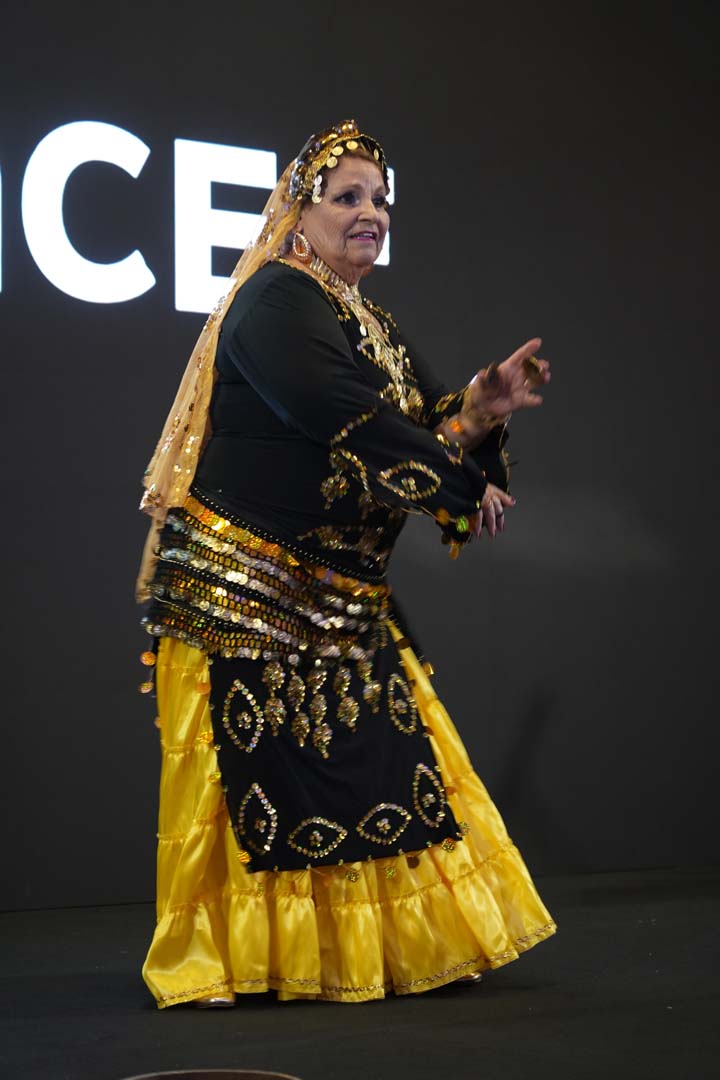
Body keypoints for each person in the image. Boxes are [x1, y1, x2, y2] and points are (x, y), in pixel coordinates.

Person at [137, 119, 556, 1007]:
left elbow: (423, 420)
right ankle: (221, 959)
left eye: (381, 200)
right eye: (348, 197)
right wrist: (456, 481)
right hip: (244, 591)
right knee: (248, 789)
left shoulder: (370, 320)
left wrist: (479, 412)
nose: (373, 213)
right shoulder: (275, 302)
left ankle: (360, 958)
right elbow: (344, 416)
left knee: (381, 780)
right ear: (299, 215)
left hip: (341, 600)